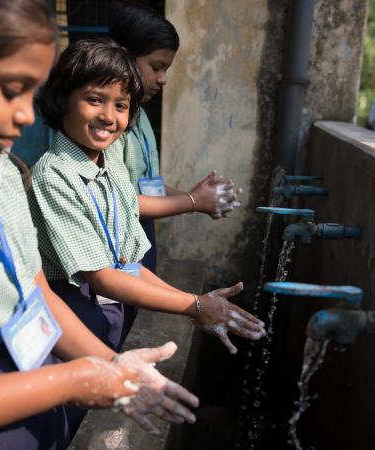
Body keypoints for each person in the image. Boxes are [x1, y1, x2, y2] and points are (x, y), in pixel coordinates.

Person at [0, 1, 199, 448]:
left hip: (34, 390)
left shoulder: (3, 172)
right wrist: (72, 382)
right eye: (10, 88)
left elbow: (38, 291)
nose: (27, 115)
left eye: (30, 93)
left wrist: (114, 366)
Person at [30, 37, 266, 358]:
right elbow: (101, 277)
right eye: (95, 99)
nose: (109, 116)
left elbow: (129, 266)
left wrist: (195, 302)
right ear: (63, 100)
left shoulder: (110, 163)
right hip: (71, 311)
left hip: (108, 304)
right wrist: (194, 305)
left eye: (121, 105)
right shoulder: (54, 174)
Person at [107, 1, 243, 272]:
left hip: (141, 238)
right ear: (123, 56)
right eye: (156, 66)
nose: (162, 79)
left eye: (166, 69)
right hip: (115, 247)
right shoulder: (108, 126)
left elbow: (145, 185)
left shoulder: (141, 116)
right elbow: (118, 201)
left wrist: (199, 196)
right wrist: (192, 202)